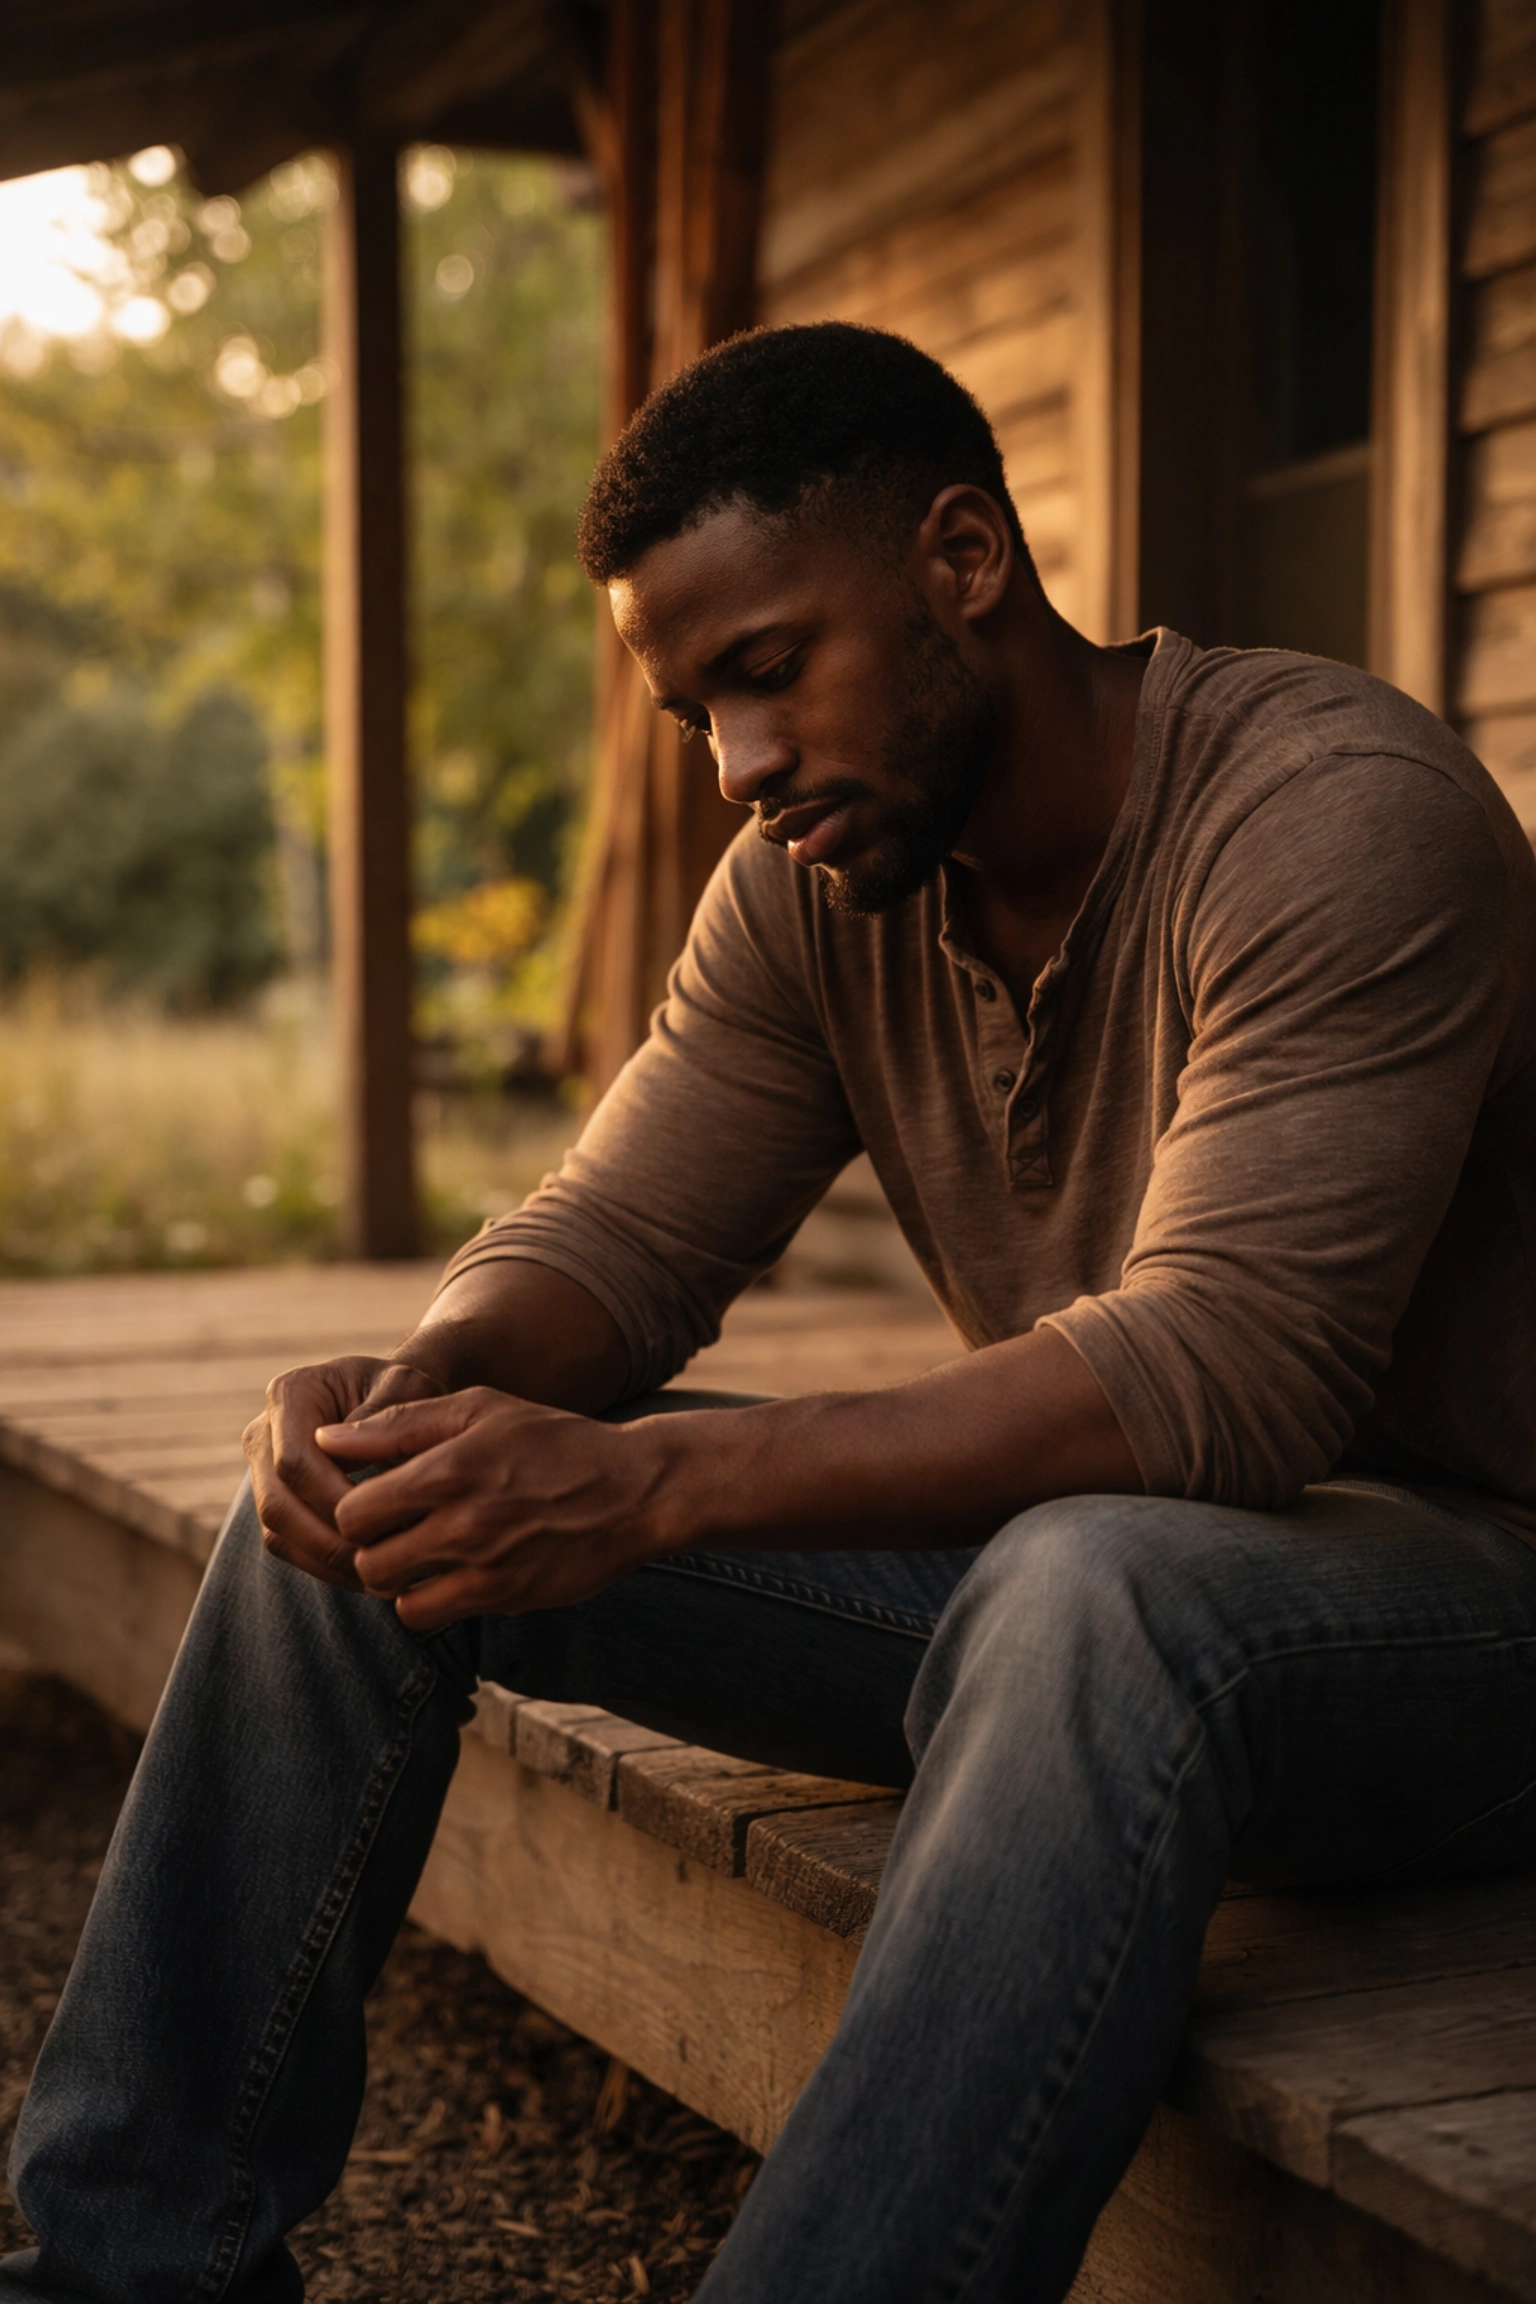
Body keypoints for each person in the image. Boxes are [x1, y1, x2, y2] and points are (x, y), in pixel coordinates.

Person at [6, 319, 1536, 2304]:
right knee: (389, 1485)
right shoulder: (817, 883)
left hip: (1470, 1624)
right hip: (1104, 1587)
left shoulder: (1332, 808)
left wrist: (649, 1491)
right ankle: (126, 2273)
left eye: (767, 670)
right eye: (694, 716)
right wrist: (426, 1380)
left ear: (963, 558)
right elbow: (614, 1237)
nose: (738, 766)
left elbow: (1226, 1376)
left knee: (1092, 1582)